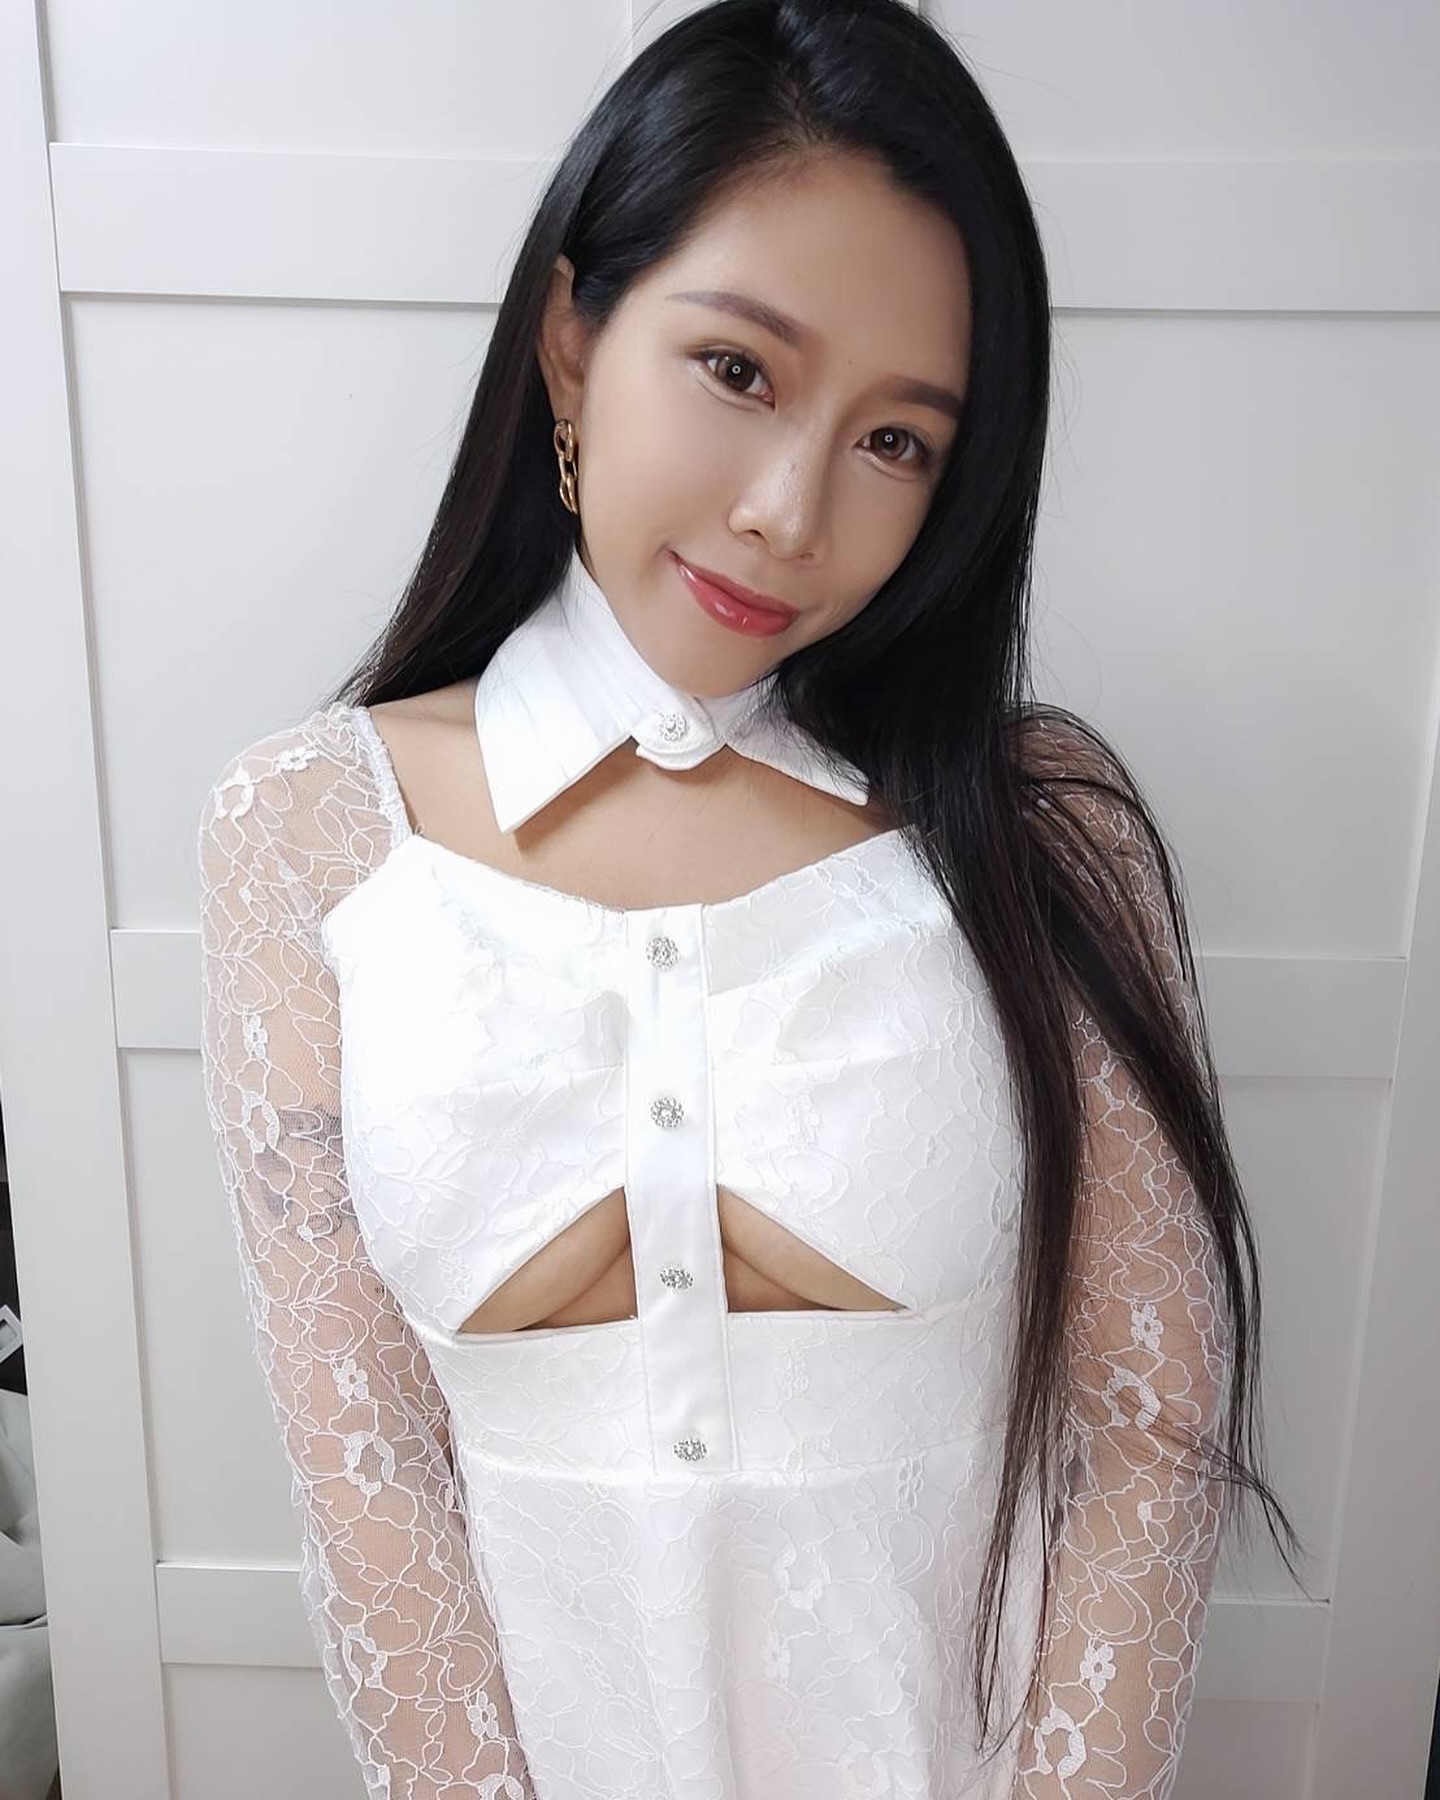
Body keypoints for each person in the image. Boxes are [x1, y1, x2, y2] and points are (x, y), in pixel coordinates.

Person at [195, 1, 1309, 1794]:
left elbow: (1149, 1435)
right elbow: (371, 1477)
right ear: (573, 342)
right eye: (739, 369)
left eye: (897, 443)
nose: (794, 512)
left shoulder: (1040, 834)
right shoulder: (311, 833)